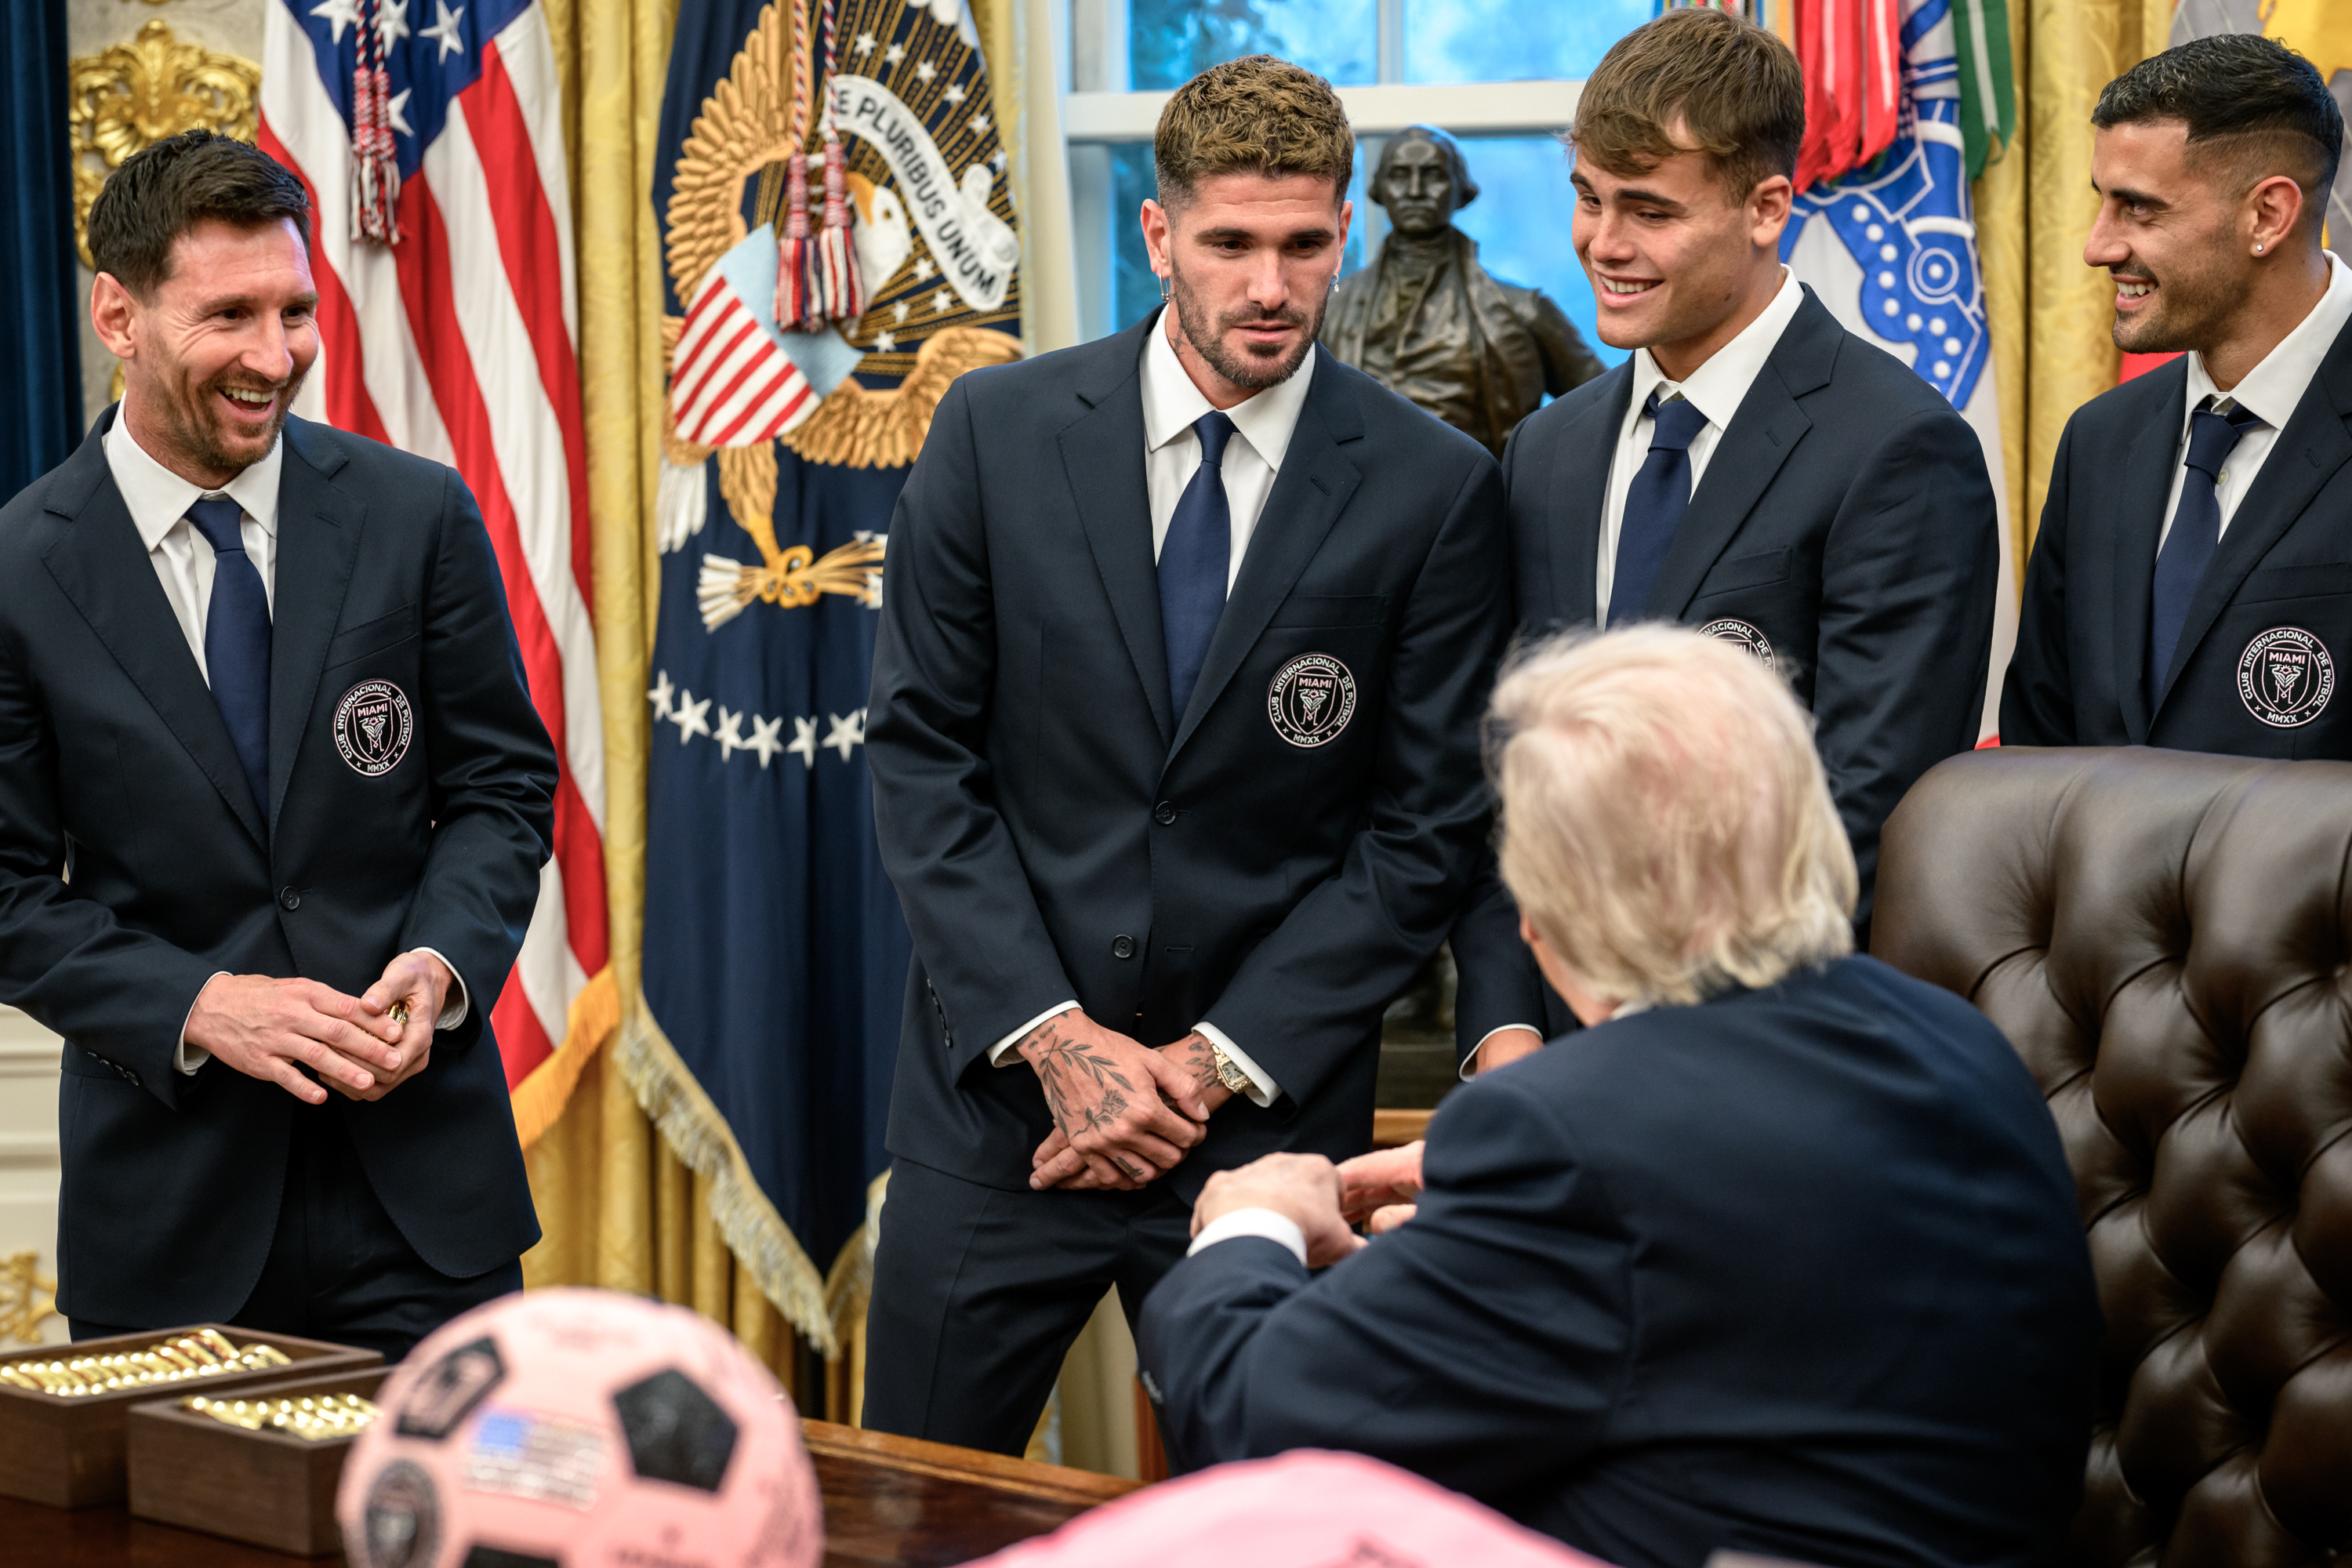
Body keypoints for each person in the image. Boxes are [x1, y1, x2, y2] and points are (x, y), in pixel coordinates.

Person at [1137, 626, 2100, 1568]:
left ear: (1553, 906)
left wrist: (1251, 1222)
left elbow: (1255, 1422)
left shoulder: (1567, 1132)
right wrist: (1481, 1242)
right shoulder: (1962, 1043)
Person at [862, 54, 1508, 1455]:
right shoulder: (994, 432)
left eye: (1303, 244)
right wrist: (1058, 1039)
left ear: (1344, 230)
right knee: (911, 1518)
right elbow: (920, 758)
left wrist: (1208, 1067)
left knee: (1273, 1529)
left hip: (1266, 1139)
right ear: (1159, 235)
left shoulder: (1438, 487)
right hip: (999, 1113)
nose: (1269, 287)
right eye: (1229, 244)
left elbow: (1424, 832)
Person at [0, 132, 555, 1358]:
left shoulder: (416, 514)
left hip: (427, 1206)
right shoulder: (18, 572)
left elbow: (502, 788)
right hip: (170, 1220)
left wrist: (443, 965)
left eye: (295, 311)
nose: (275, 356)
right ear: (117, 315)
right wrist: (200, 1005)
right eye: (229, 316)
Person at [1452, 8, 1998, 1076]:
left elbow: (1863, 810)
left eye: (1650, 211)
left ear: (1766, 208)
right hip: (1545, 1063)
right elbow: (1505, 774)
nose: (1604, 244)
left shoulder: (1897, 447)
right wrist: (1507, 1030)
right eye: (1589, 199)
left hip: (1771, 1060)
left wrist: (1656, 1051)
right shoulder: (1546, 452)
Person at [2002, 36, 2352, 753]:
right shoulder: (2100, 439)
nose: (2097, 247)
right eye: (2102, 202)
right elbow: (2039, 751)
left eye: (2138, 208)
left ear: (2267, 216)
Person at [1321, 125, 1604, 455]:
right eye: (1400, 175)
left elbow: (1607, 407)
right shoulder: (1332, 307)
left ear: (1461, 189)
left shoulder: (1524, 310)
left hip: (1480, 484)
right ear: (1379, 189)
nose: (1415, 191)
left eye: (1433, 175)